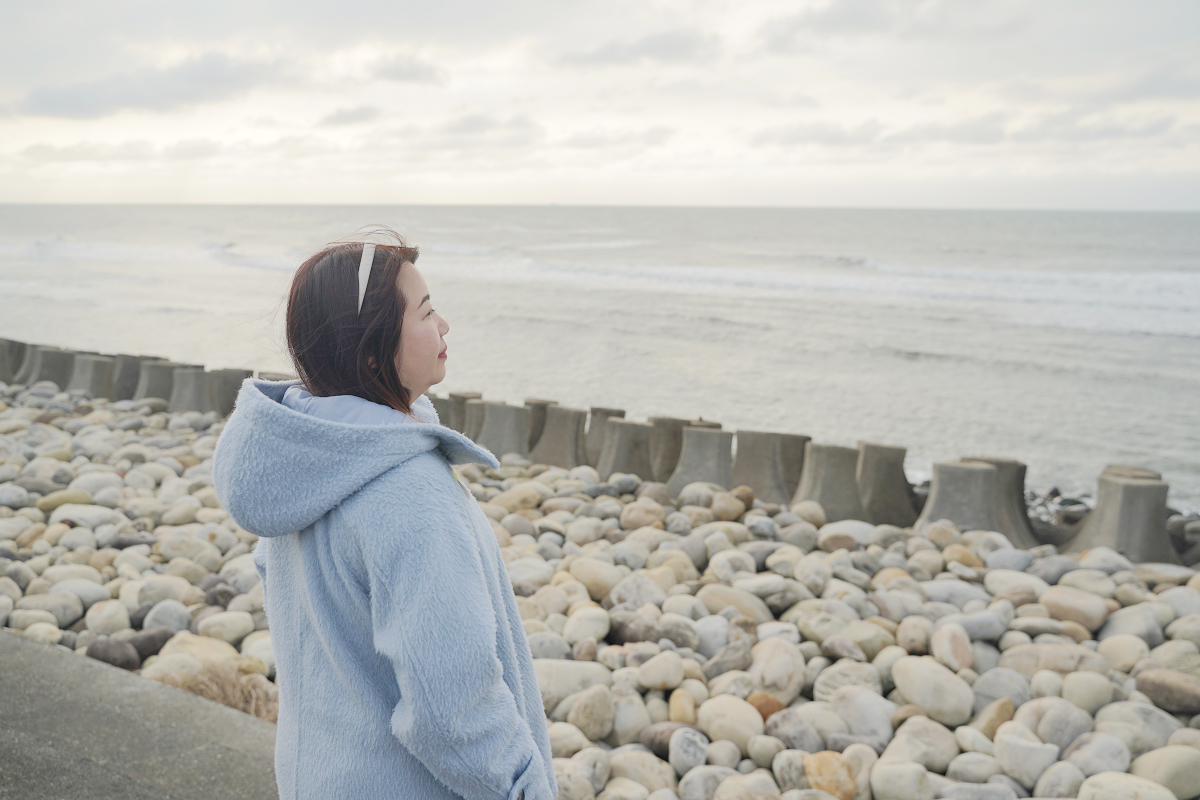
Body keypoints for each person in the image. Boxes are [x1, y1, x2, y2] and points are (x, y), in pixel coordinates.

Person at [212, 233, 556, 800]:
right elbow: (454, 712)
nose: (444, 325)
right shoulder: (409, 493)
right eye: (425, 313)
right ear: (372, 350)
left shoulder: (307, 458)